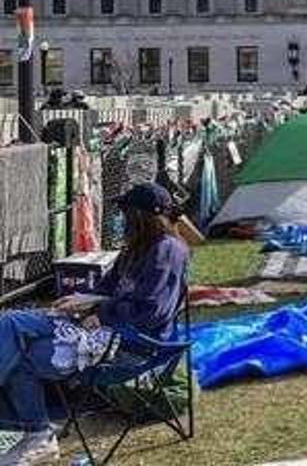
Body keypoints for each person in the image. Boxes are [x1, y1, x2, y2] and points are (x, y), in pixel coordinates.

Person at [0, 183, 189, 465]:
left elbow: (153, 312)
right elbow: (105, 287)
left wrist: (101, 311)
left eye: (127, 213)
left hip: (132, 344)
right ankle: (38, 436)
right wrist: (80, 300)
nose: (122, 219)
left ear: (142, 216)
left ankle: (39, 435)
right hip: (100, 330)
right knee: (12, 326)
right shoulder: (135, 249)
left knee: (19, 346)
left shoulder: (167, 250)